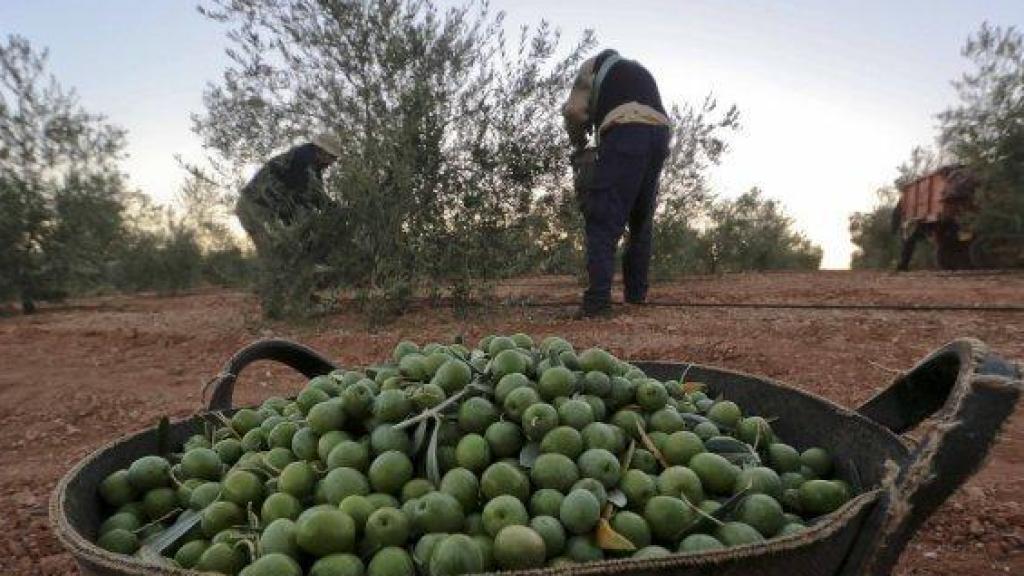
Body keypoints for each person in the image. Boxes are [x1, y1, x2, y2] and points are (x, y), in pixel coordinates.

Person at [563, 49, 671, 317]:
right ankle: (636, 297)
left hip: (625, 130)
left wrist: (577, 141)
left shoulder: (592, 65)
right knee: (640, 217)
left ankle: (597, 303)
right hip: (659, 134)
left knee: (602, 216)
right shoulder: (638, 70)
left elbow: (575, 111)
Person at [235, 133, 343, 258]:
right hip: (255, 208)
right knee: (273, 254)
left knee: (275, 252)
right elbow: (307, 197)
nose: (333, 162)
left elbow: (316, 195)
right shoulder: (302, 162)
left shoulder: (308, 164)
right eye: (332, 157)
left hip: (255, 208)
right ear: (321, 152)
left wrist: (332, 208)